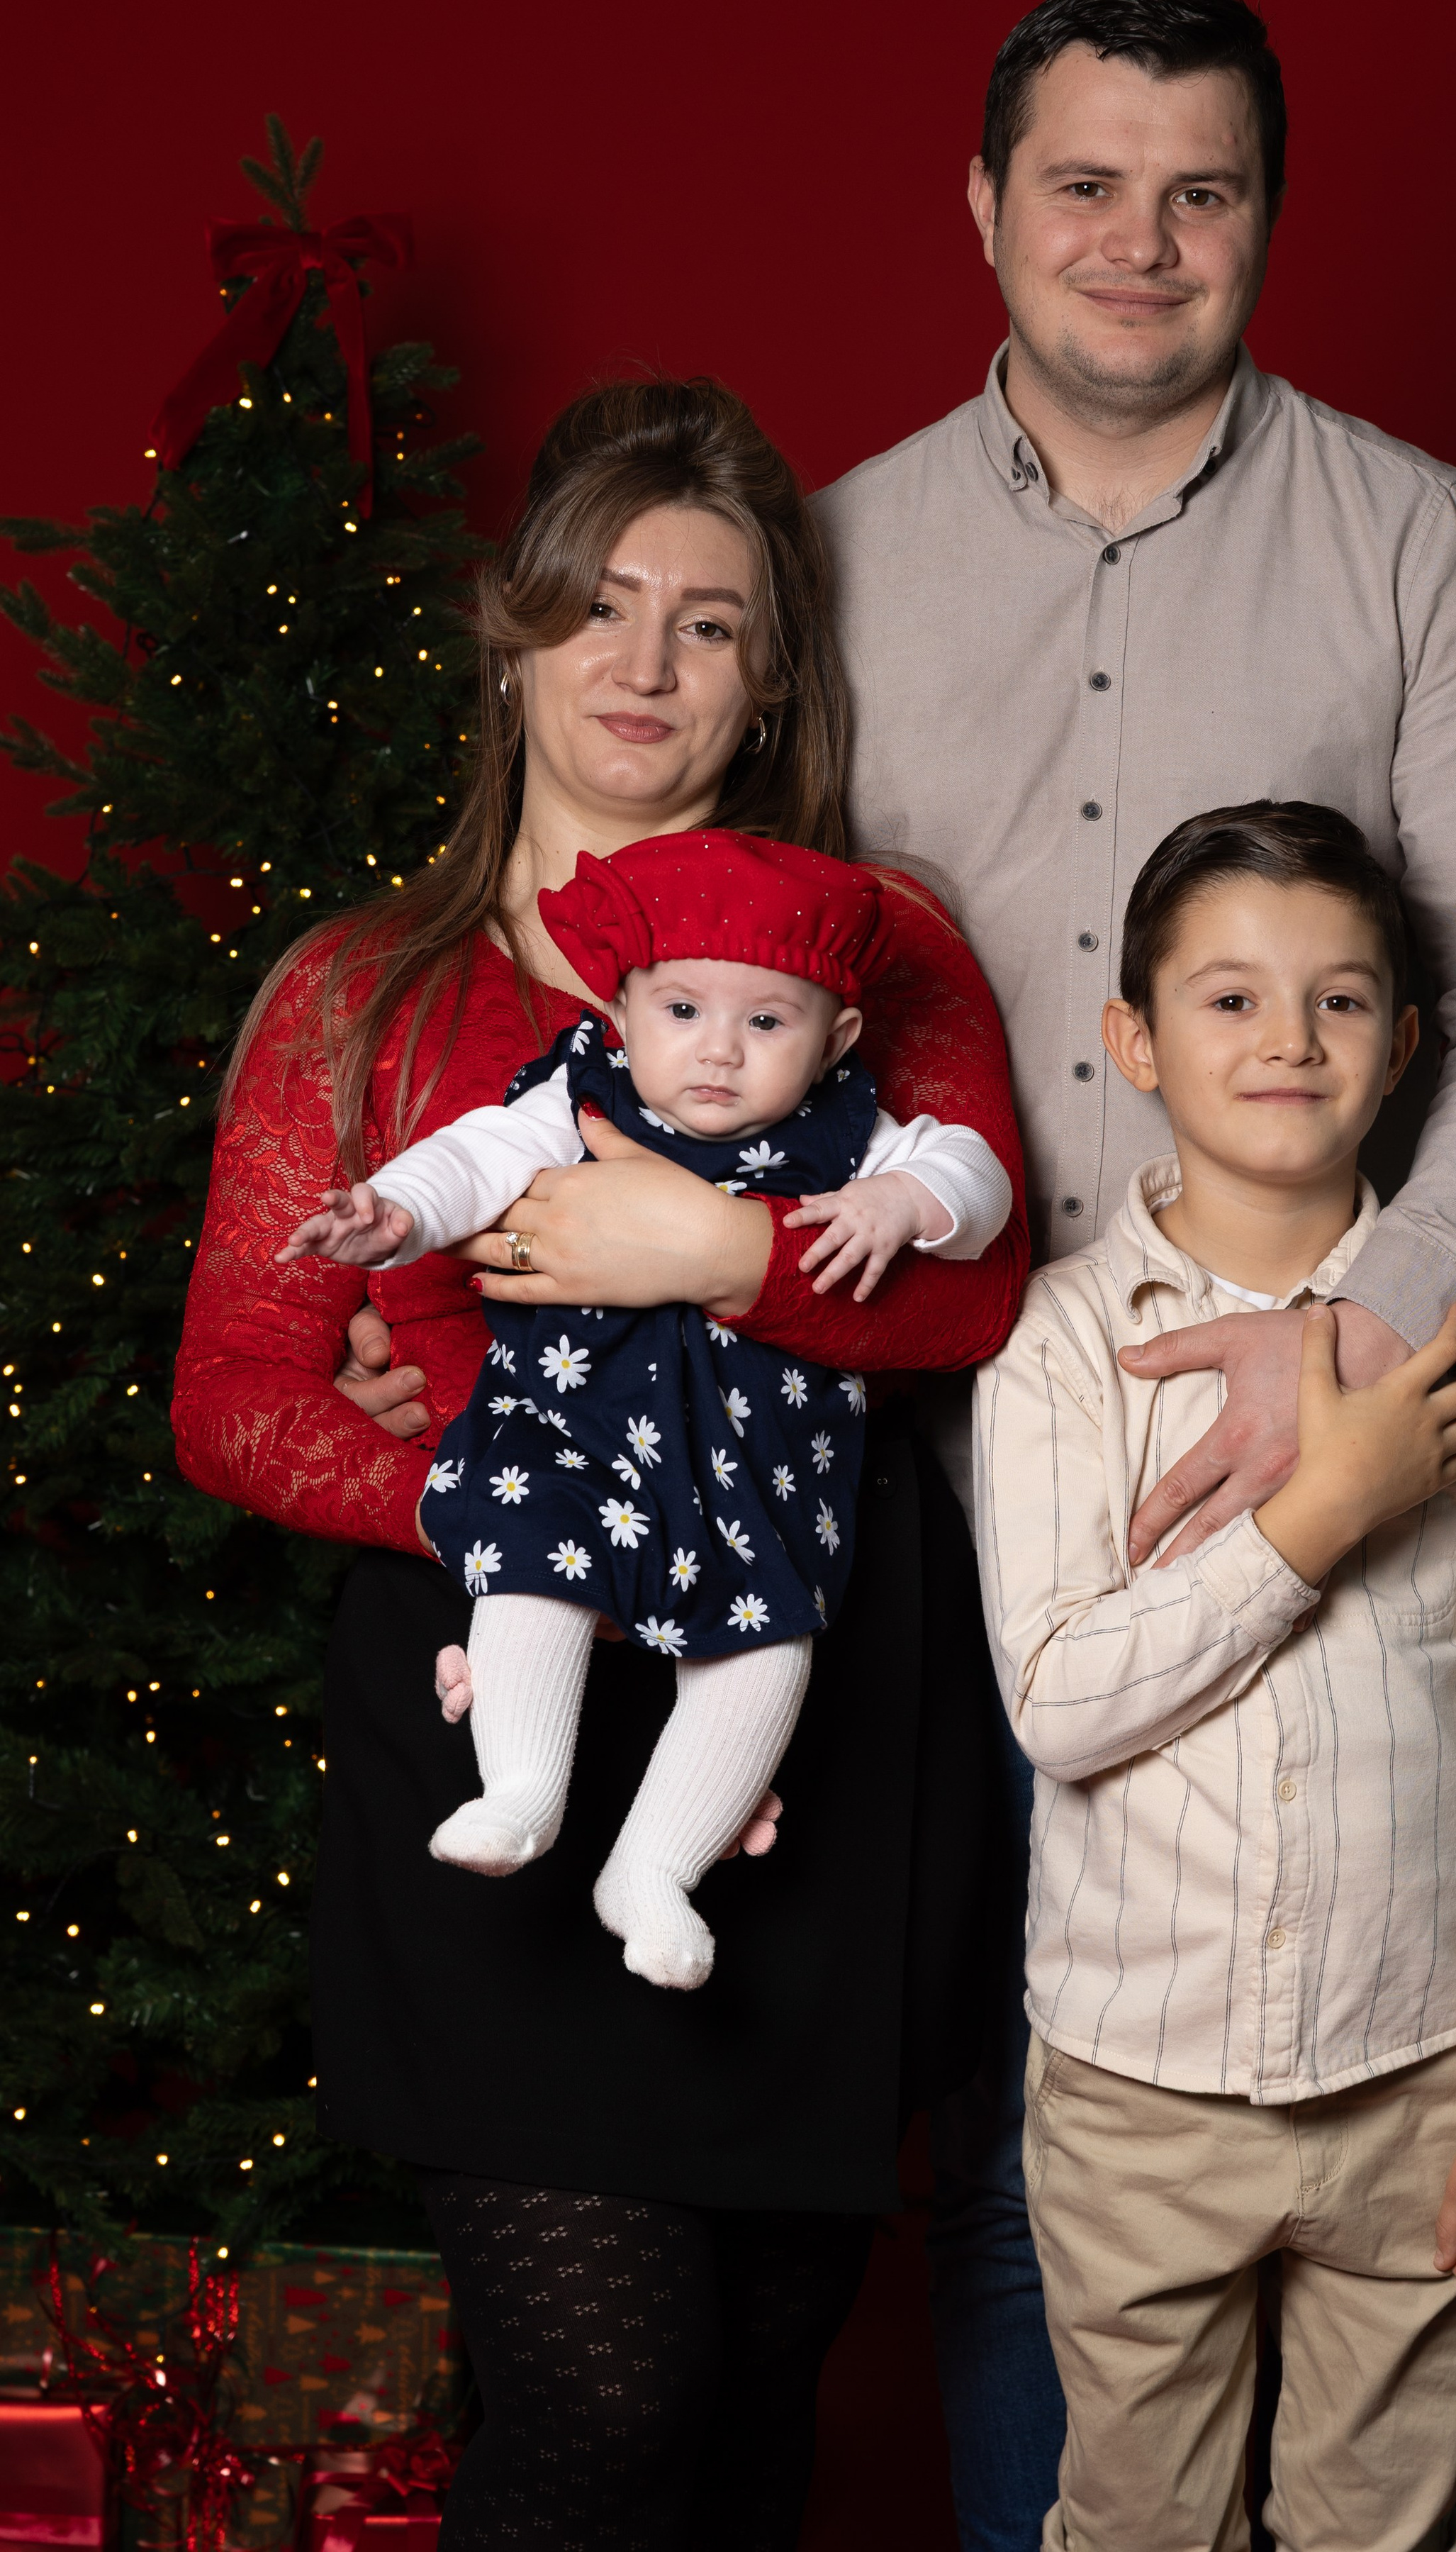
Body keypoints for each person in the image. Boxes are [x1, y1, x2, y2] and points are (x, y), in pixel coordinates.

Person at [812, 0, 1456, 2546]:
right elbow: (689, 968)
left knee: (1299, 2088)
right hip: (905, 1431)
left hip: (1325, 1423)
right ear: (982, 204)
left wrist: (1362, 1343)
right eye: (1083, 182)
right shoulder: (829, 560)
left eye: (1202, 192)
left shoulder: (1419, 545)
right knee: (999, 2115)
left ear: (1269, 217)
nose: (1138, 244)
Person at [172, 374, 1029, 2550]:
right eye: (602, 605)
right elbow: (238, 1393)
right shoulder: (368, 997)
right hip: (502, 1697)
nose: (646, 665)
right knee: (606, 2394)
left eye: (713, 623)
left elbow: (973, 1288)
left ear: (770, 682)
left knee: (756, 2384)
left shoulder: (871, 950)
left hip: (808, 1710)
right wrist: (500, 1499)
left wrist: (717, 1250)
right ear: (513, 633)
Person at [975, 802, 1456, 2551]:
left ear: (1406, 1046)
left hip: (1421, 2072)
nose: (1285, 1042)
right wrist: (1313, 1518)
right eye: (1228, 1000)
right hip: (1134, 2091)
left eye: (1339, 1002)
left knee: (1385, 2533)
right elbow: (1060, 1701)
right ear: (1131, 1041)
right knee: (1131, 2528)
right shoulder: (1055, 1350)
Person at [280, 829, 1010, 1989]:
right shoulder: (579, 1092)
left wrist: (907, 1201)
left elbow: (981, 1182)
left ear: (838, 1037)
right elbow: (470, 1156)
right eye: (682, 1012)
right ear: (620, 1010)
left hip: (750, 1485)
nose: (718, 1052)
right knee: (532, 1564)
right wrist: (398, 1213)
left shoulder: (847, 1133)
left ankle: (657, 1868)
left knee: (768, 1658)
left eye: (768, 1023)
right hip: (574, 1441)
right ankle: (522, 1785)